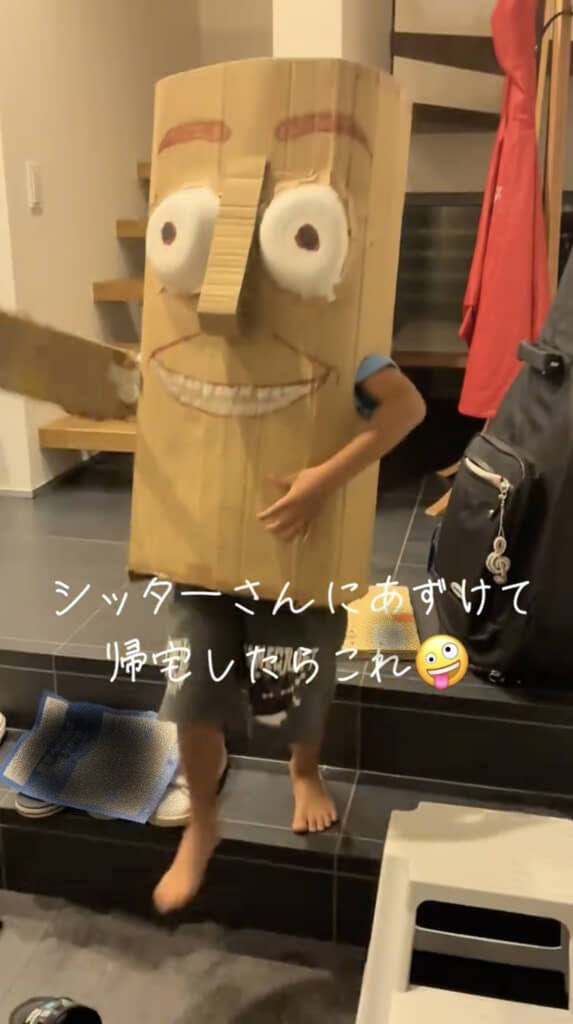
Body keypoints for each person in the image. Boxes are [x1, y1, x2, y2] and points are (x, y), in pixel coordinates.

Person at [153, 352, 425, 913]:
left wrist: (325, 480)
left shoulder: (339, 343)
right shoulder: (191, 341)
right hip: (205, 550)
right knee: (192, 690)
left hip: (298, 553)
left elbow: (407, 407)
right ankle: (202, 820)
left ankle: (303, 769)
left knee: (293, 687)